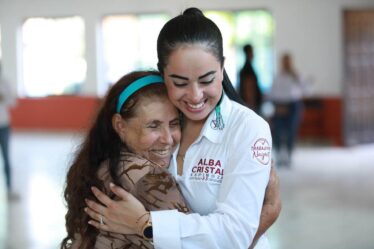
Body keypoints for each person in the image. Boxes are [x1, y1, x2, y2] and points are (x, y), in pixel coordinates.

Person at [85, 7, 281, 249]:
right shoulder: (163, 122)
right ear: (163, 73)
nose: (195, 96)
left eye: (207, 80)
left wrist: (145, 225)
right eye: (180, 83)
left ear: (222, 67)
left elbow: (236, 234)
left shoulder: (247, 129)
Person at [60, 71, 191, 249]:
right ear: (120, 125)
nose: (168, 139)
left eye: (174, 124)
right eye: (154, 126)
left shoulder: (97, 164)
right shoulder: (151, 178)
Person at [268, 52, 310, 167]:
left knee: (291, 131)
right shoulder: (278, 76)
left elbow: (306, 90)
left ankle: (289, 156)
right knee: (277, 131)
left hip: (293, 105)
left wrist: (296, 77)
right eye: (284, 61)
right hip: (279, 105)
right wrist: (277, 106)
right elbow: (272, 93)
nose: (286, 64)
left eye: (288, 61)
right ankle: (280, 156)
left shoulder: (296, 76)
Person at [0, 62, 17, 198]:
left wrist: (3, 97)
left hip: (4, 126)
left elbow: (13, 102)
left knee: (6, 158)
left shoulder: (5, 83)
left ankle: (9, 189)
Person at [239, 44, 263, 114]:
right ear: (249, 53)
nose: (253, 54)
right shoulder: (247, 69)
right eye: (252, 51)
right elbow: (249, 88)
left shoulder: (247, 68)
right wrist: (251, 104)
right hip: (251, 105)